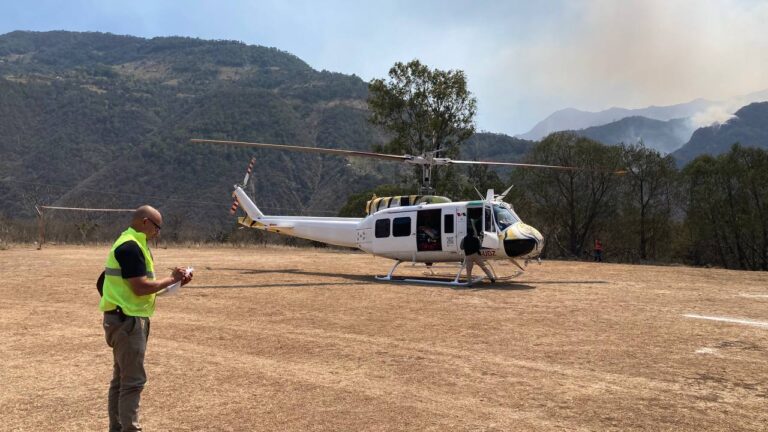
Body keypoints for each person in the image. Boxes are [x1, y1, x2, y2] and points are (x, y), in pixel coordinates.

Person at [99, 205, 192, 432]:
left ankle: (118, 427)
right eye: (157, 227)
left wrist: (175, 282)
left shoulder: (131, 243)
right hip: (128, 323)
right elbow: (140, 287)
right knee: (132, 382)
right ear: (144, 221)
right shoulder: (131, 247)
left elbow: (104, 283)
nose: (158, 232)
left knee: (121, 380)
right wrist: (171, 279)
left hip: (122, 319)